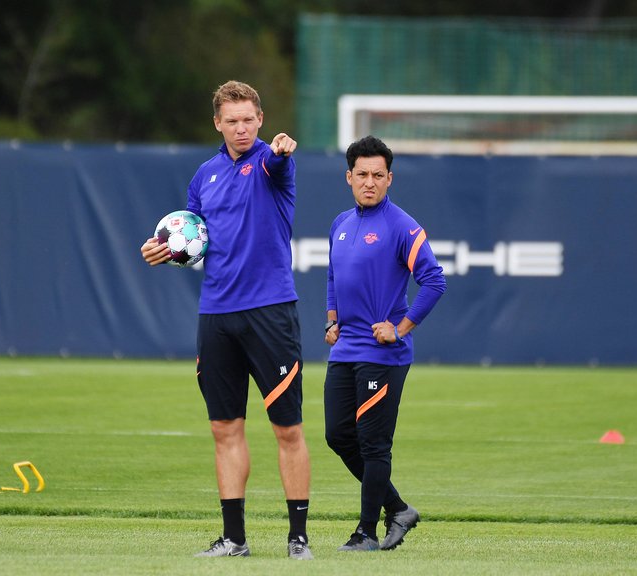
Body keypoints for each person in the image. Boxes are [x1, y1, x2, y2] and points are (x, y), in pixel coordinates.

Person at [140, 80, 312, 560]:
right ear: (218, 123)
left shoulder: (273, 164)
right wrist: (162, 248)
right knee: (224, 429)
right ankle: (234, 539)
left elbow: (279, 159)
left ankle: (298, 538)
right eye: (231, 120)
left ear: (261, 119)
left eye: (248, 119)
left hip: (270, 312)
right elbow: (190, 235)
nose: (241, 128)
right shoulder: (205, 175)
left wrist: (280, 150)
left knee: (287, 428)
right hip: (216, 315)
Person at [323, 135, 446, 552]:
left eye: (378, 175)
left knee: (374, 444)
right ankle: (398, 508)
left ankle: (366, 533)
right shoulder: (341, 224)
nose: (370, 182)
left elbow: (434, 280)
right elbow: (333, 276)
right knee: (338, 436)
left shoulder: (403, 226)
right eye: (362, 175)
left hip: (383, 354)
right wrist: (332, 318)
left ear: (390, 178)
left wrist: (402, 327)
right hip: (345, 349)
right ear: (349, 177)